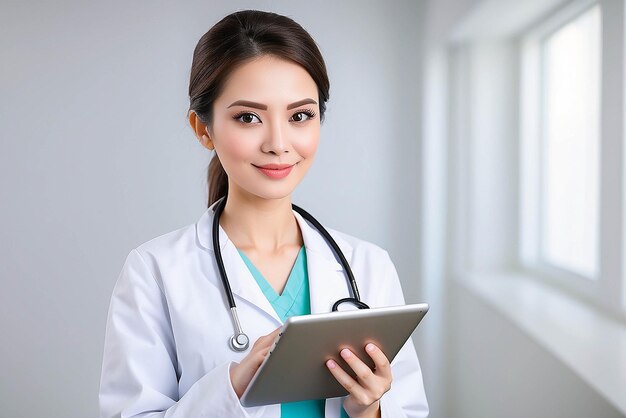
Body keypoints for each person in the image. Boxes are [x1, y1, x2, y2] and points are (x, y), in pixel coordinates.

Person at [99, 9, 428, 418]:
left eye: (300, 116)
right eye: (248, 117)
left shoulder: (368, 267)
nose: (278, 142)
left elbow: (410, 409)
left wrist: (369, 411)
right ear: (203, 129)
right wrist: (231, 387)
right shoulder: (154, 271)